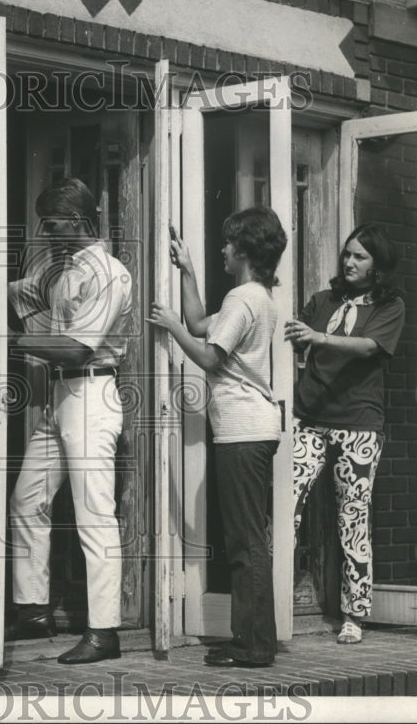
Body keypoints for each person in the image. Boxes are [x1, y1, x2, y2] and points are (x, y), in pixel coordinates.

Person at [148, 207, 287, 668]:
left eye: (228, 244)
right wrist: (186, 270)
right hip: (249, 431)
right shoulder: (254, 295)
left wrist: (168, 327)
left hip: (244, 433)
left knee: (246, 543)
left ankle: (252, 646)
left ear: (244, 250)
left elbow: (207, 356)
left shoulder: (243, 299)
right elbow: (200, 324)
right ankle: (253, 640)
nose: (222, 250)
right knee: (248, 539)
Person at [6, 178, 133, 665]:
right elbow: (18, 296)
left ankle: (104, 632)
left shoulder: (108, 273)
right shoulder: (62, 272)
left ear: (78, 221)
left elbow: (80, 346)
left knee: (94, 514)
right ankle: (34, 609)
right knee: (26, 499)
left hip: (91, 390)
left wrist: (7, 343)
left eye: (53, 223)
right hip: (60, 394)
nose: (46, 231)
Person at [284, 224, 405, 645]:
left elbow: (369, 347)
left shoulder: (390, 307)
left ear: (378, 266)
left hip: (359, 425)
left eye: (360, 257)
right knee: (283, 507)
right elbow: (290, 340)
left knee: (352, 519)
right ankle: (272, 603)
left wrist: (319, 337)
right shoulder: (323, 301)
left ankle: (354, 615)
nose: (349, 262)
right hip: (309, 418)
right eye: (347, 254)